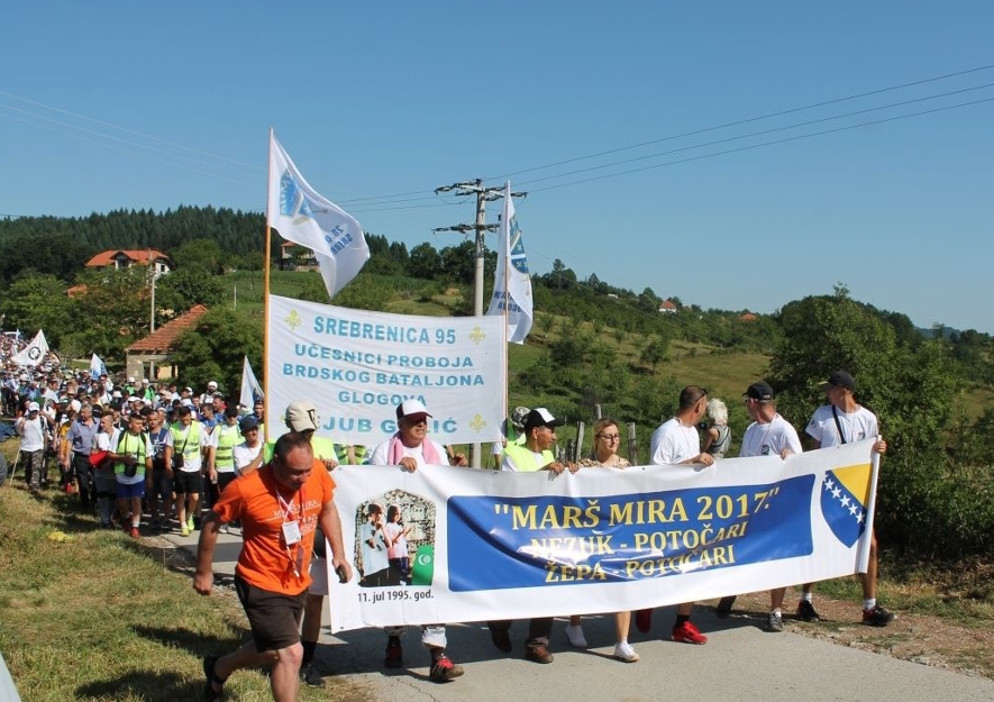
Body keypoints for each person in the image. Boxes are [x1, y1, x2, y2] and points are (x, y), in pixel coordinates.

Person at [194, 432, 352, 702]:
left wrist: (339, 553)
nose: (304, 479)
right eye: (295, 473)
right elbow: (211, 523)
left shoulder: (316, 475)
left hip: (297, 579)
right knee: (291, 653)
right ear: (275, 462)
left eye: (307, 471)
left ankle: (218, 668)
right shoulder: (246, 488)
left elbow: (327, 509)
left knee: (271, 649)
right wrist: (204, 571)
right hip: (259, 581)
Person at [368, 399, 465, 682]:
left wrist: (456, 469)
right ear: (399, 424)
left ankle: (438, 656)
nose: (421, 424)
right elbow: (373, 490)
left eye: (424, 419)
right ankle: (394, 641)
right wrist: (395, 470)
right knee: (397, 590)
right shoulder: (384, 450)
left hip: (427, 535)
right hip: (396, 539)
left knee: (429, 588)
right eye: (414, 420)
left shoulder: (435, 451)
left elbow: (447, 488)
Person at [802, 370, 895, 627]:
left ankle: (870, 606)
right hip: (826, 488)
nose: (826, 393)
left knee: (871, 545)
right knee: (817, 543)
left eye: (830, 389)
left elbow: (870, 453)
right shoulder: (822, 416)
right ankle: (805, 599)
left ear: (843, 390)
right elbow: (814, 454)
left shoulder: (867, 418)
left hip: (855, 491)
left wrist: (880, 449)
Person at [492, 407, 577, 664]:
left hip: (545, 531)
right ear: (536, 431)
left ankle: (537, 643)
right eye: (551, 430)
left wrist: (570, 474)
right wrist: (544, 472)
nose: (554, 435)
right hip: (517, 532)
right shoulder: (512, 454)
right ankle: (499, 622)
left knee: (547, 584)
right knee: (513, 586)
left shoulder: (550, 454)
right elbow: (510, 491)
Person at [716, 381, 803, 631]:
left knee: (777, 555)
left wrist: (789, 457)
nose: (746, 406)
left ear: (753, 403)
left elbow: (799, 463)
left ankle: (775, 610)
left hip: (776, 504)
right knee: (742, 546)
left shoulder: (784, 429)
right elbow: (745, 463)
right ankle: (734, 589)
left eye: (747, 402)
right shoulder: (752, 430)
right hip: (752, 502)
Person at [639, 385, 713, 645]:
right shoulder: (666, 432)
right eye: (706, 405)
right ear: (699, 406)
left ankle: (682, 623)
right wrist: (691, 462)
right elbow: (656, 472)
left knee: (691, 565)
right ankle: (644, 601)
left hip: (690, 510)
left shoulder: (692, 432)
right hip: (666, 511)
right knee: (659, 562)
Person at [574, 417, 640, 662]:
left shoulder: (626, 465)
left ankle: (622, 641)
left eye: (616, 436)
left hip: (618, 532)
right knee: (581, 577)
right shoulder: (584, 466)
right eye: (608, 436)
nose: (613, 440)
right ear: (596, 439)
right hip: (588, 533)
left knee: (624, 582)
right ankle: (575, 622)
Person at [171, 405, 215, 536]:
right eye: (182, 419)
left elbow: (205, 446)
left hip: (194, 467)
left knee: (195, 497)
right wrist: (169, 464)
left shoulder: (198, 427)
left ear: (191, 416)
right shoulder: (173, 428)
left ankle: (190, 515)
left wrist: (203, 462)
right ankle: (183, 524)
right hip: (180, 467)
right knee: (180, 496)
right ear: (179, 417)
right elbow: (169, 447)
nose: (184, 421)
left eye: (187, 419)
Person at [108, 412, 152, 539]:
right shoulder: (120, 436)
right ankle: (127, 517)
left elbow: (149, 458)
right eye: (137, 424)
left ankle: (135, 528)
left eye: (141, 424)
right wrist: (123, 458)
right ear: (130, 424)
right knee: (123, 502)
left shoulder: (144, 437)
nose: (140, 426)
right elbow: (110, 454)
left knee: (137, 500)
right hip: (122, 475)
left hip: (139, 474)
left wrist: (149, 477)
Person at [15, 401, 47, 496]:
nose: (34, 413)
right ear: (29, 411)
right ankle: (29, 482)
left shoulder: (42, 420)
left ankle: (34, 486)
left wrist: (45, 445)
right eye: (32, 411)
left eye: (36, 411)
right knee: (27, 467)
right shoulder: (22, 420)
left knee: (36, 466)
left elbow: (45, 432)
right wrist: (21, 425)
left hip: (38, 447)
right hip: (26, 447)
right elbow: (19, 433)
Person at [384, 504, 412, 585]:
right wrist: (399, 534)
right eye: (397, 513)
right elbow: (390, 542)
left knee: (404, 574)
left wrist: (405, 532)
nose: (398, 516)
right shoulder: (388, 526)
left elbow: (401, 540)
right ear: (391, 513)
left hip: (402, 554)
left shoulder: (397, 526)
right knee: (397, 576)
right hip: (395, 556)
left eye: (400, 514)